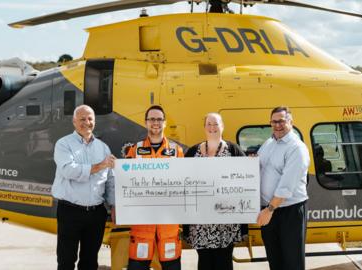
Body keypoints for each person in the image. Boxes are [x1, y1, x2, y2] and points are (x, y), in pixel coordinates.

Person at [51, 105, 116, 270]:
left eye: (90, 119)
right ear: (74, 121)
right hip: (70, 212)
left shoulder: (103, 148)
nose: (87, 122)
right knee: (66, 260)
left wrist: (114, 205)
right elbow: (68, 170)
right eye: (82, 119)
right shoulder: (63, 144)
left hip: (96, 214)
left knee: (90, 261)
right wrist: (100, 165)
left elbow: (110, 180)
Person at [184, 113, 247, 270]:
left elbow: (246, 180)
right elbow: (183, 182)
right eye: (209, 124)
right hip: (199, 223)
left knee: (224, 261)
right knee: (204, 261)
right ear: (204, 127)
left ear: (222, 127)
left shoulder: (234, 150)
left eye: (216, 124)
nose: (212, 127)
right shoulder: (192, 152)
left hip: (226, 221)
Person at [125, 105, 183, 270]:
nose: (155, 123)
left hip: (169, 227)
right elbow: (125, 183)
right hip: (142, 226)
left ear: (164, 123)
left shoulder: (176, 151)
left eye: (159, 119)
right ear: (146, 123)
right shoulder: (135, 150)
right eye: (152, 119)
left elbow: (184, 183)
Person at [256, 106, 310, 270]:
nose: (277, 125)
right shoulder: (269, 142)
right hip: (270, 211)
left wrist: (269, 209)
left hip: (289, 212)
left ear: (291, 122)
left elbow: (286, 186)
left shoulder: (297, 148)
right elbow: (260, 166)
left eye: (281, 121)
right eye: (274, 121)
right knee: (275, 259)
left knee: (292, 261)